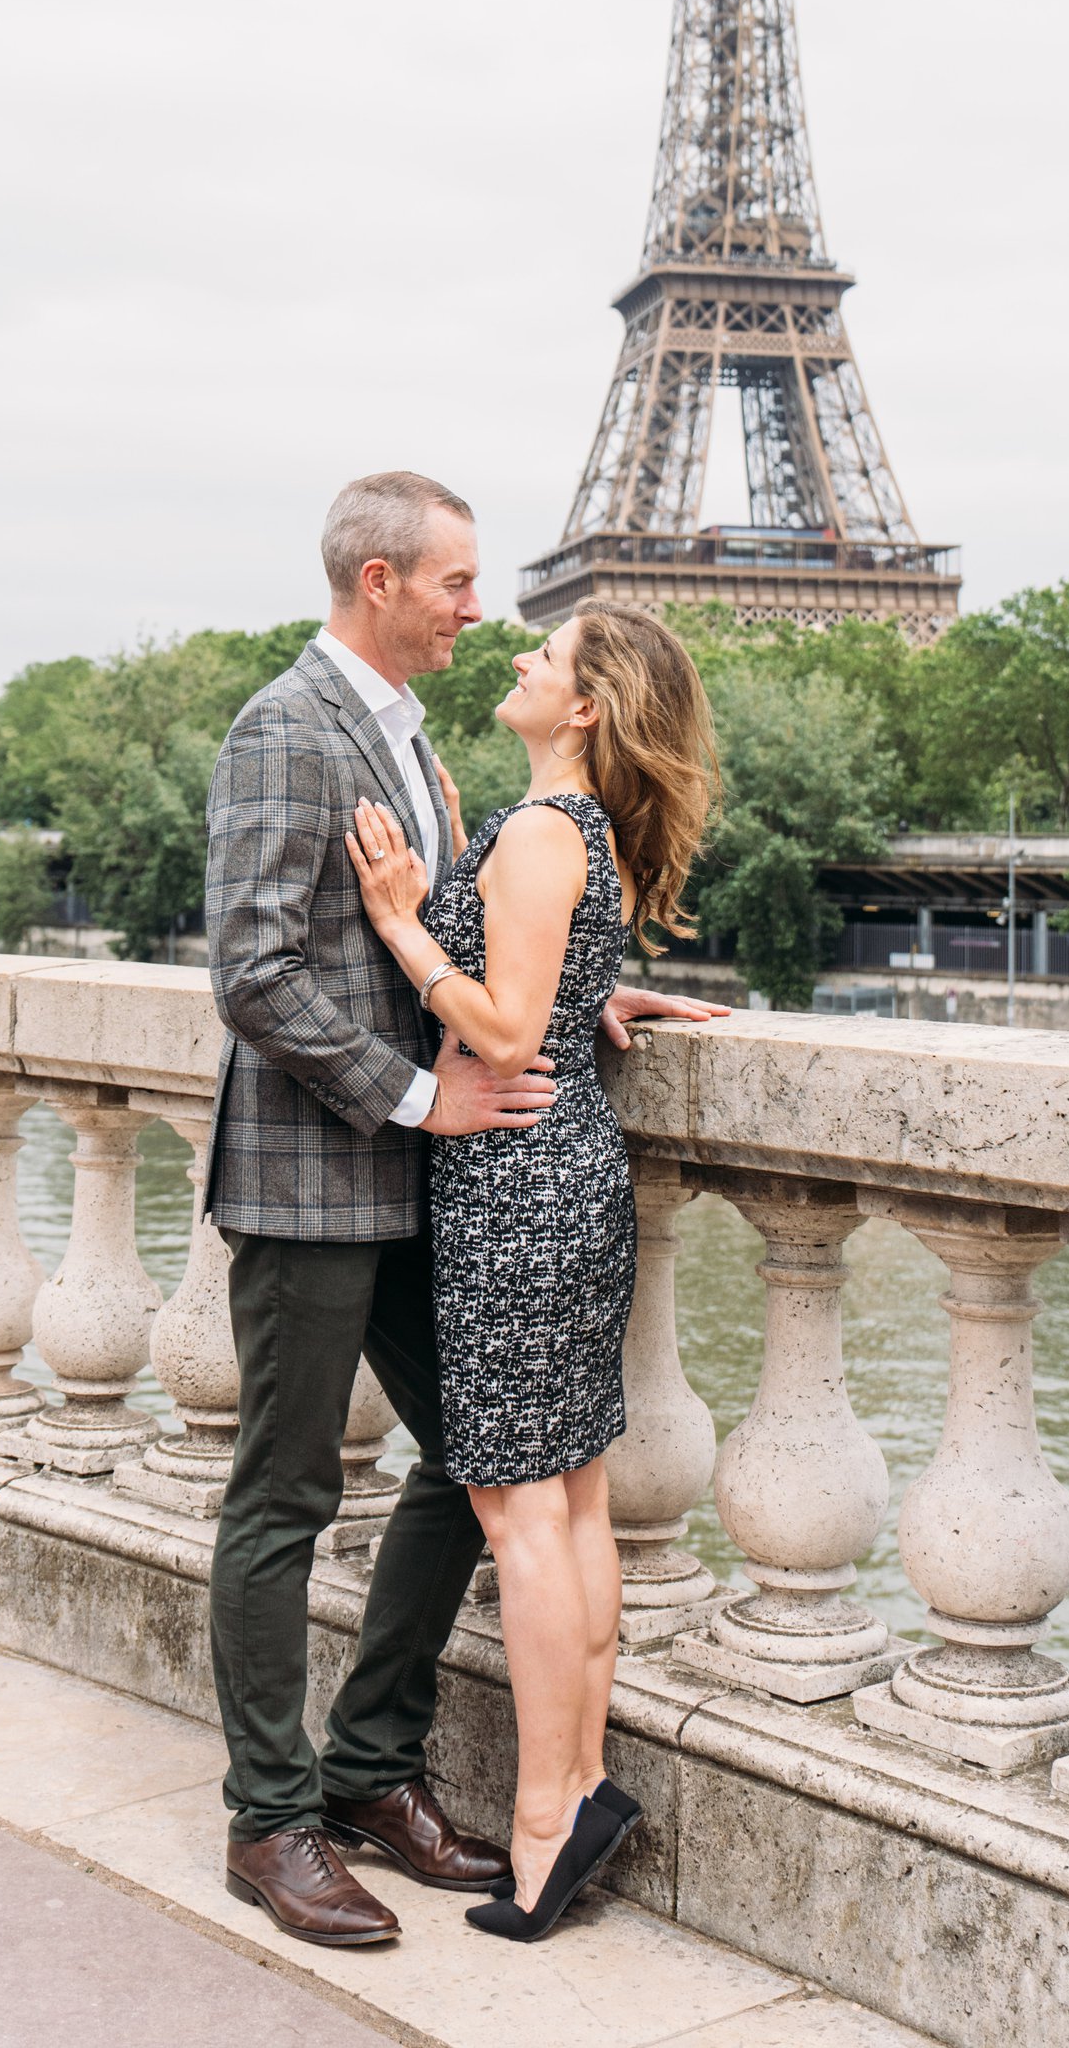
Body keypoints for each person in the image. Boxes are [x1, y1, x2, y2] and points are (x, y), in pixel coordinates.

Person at [204, 471, 723, 1950]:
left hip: (454, 1184)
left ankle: (372, 1768)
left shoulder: (422, 745)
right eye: (456, 584)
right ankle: (270, 1819)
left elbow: (485, 937)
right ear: (379, 581)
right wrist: (426, 1095)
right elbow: (253, 972)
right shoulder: (283, 730)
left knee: (471, 1463)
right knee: (286, 1496)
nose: (480, 611)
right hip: (324, 1175)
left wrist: (576, 994)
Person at [345, 597, 718, 1941]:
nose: (518, 654)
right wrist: (582, 986)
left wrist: (403, 921)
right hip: (570, 1177)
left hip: (512, 1187)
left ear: (588, 707)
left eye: (546, 656)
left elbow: (504, 1033)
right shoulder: (576, 829)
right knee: (574, 1505)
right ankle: (582, 1784)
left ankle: (548, 1820)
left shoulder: (547, 832)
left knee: (520, 1518)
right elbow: (545, 984)